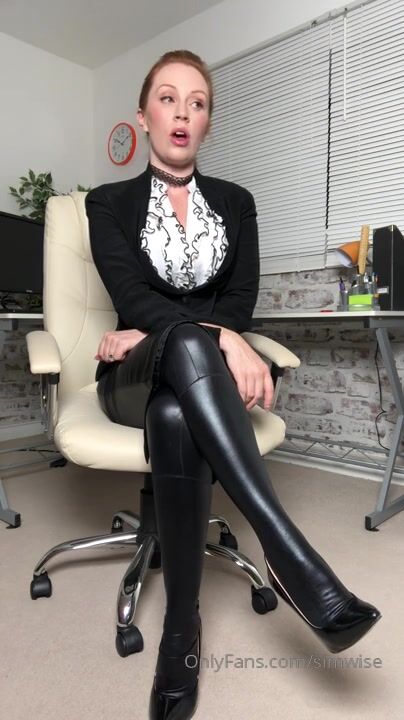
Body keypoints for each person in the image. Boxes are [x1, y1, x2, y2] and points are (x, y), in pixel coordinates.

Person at [85, 50, 381, 720]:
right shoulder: (108, 203)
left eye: (197, 103)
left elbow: (240, 301)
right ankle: (289, 553)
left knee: (174, 416)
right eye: (167, 98)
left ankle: (179, 638)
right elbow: (131, 296)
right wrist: (210, 336)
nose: (181, 113)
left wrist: (197, 332)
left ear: (208, 122)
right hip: (131, 377)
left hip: (195, 384)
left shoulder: (237, 204)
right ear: (143, 115)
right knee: (189, 346)